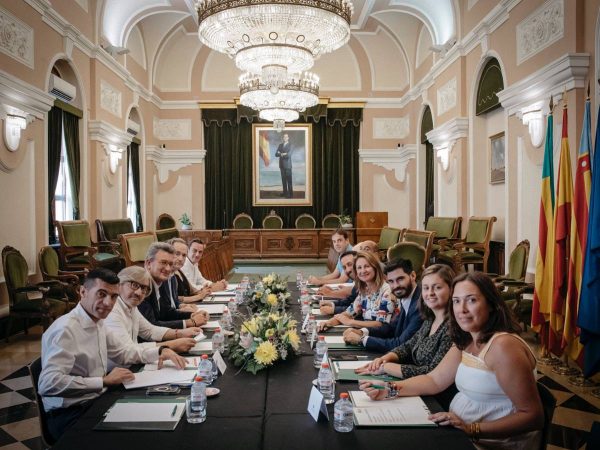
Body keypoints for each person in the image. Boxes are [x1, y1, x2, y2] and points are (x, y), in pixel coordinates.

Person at [360, 272, 543, 450]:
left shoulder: (503, 346)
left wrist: (471, 429)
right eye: (456, 301)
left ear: (491, 304)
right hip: (457, 432)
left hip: (489, 442)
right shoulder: (466, 339)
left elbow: (532, 416)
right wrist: (389, 390)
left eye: (471, 300)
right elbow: (434, 380)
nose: (461, 309)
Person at [38, 269, 186, 442]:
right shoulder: (66, 330)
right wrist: (103, 381)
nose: (108, 303)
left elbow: (123, 352)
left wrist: (160, 351)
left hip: (95, 399)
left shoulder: (98, 321)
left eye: (114, 296)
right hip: (69, 414)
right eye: (101, 294)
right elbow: (47, 384)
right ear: (83, 292)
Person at [355, 264, 454, 379]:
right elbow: (408, 345)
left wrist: (386, 367)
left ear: (451, 289)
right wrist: (385, 358)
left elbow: (432, 372)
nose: (430, 293)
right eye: (426, 288)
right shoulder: (430, 318)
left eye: (437, 287)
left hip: (431, 393)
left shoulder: (452, 327)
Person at [105, 266, 199, 366]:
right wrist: (170, 346)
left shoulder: (130, 305)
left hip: (131, 366)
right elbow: (128, 351)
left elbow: (149, 330)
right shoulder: (112, 310)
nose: (139, 293)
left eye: (144, 288)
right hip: (115, 373)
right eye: (134, 285)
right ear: (119, 285)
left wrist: (180, 333)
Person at [342, 258, 422, 352]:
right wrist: (362, 332)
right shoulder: (406, 297)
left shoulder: (420, 304)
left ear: (412, 275)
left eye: (400, 279)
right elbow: (391, 328)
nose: (395, 286)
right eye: (391, 281)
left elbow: (401, 344)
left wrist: (362, 340)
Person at [138, 242, 208, 329]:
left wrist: (192, 315)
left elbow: (165, 312)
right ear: (148, 263)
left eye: (170, 264)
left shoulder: (158, 281)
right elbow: (151, 326)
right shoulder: (141, 287)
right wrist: (190, 322)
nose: (168, 268)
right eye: (163, 262)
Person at [318, 251, 392, 330]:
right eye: (359, 268)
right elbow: (348, 312)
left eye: (366, 266)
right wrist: (328, 323)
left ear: (375, 267)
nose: (363, 271)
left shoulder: (387, 291)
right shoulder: (364, 291)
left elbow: (380, 324)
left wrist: (350, 322)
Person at [169, 238, 211, 303]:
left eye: (184, 255)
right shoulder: (167, 275)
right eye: (177, 254)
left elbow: (192, 290)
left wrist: (208, 289)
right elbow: (174, 299)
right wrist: (199, 296)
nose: (180, 259)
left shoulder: (179, 270)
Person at [319, 250, 358, 315]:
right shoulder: (359, 283)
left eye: (350, 264)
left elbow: (360, 310)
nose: (347, 270)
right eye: (344, 267)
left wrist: (334, 310)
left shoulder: (366, 283)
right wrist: (332, 304)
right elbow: (350, 301)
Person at [275, 132, 293, 198]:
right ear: (283, 138)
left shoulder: (291, 145)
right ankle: (285, 193)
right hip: (281, 165)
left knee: (289, 181)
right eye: (284, 137)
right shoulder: (280, 145)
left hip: (288, 165)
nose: (285, 138)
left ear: (288, 138)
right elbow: (276, 154)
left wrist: (281, 153)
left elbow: (289, 155)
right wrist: (283, 154)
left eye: (286, 137)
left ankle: (291, 194)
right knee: (283, 180)